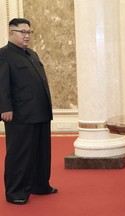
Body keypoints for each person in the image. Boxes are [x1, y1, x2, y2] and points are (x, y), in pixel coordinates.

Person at [0, 18, 57, 205]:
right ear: (11, 33)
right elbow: (2, 85)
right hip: (20, 114)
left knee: (41, 153)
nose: (27, 36)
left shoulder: (31, 54)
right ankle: (15, 191)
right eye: (22, 32)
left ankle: (40, 185)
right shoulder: (4, 55)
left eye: (29, 32)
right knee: (20, 154)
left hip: (40, 112)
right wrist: (4, 108)